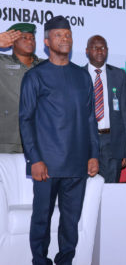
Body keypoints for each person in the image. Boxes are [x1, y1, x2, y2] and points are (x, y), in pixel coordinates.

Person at [19, 15, 99, 264]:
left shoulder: (83, 76)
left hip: (77, 164)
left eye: (67, 34)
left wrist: (93, 154)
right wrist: (35, 158)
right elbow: (25, 120)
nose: (64, 38)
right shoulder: (35, 76)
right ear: (46, 41)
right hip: (46, 165)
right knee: (41, 219)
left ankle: (66, 260)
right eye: (58, 35)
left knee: (71, 221)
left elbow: (90, 120)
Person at [84, 35, 126, 183]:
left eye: (103, 47)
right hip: (86, 141)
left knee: (110, 190)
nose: (99, 51)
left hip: (112, 140)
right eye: (95, 47)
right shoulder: (78, 74)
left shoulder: (119, 75)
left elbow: (125, 112)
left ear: (107, 51)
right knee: (88, 190)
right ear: (87, 51)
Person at [0, 23, 43, 153]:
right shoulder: (2, 62)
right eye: (24, 37)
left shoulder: (44, 66)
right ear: (12, 42)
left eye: (32, 38)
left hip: (38, 138)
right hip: (7, 138)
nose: (30, 41)